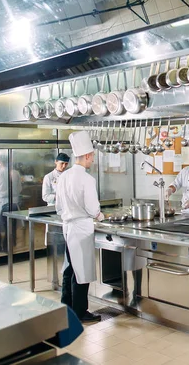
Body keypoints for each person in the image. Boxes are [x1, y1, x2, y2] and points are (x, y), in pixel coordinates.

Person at [56, 131, 104, 322]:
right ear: (86, 156)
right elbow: (92, 208)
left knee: (69, 268)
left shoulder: (63, 177)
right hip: (82, 227)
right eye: (91, 157)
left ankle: (66, 306)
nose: (92, 160)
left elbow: (58, 206)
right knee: (81, 271)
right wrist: (100, 216)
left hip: (67, 227)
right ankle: (80, 312)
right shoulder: (87, 179)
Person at [0, 157, 22, 253]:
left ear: (0, 163)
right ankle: (8, 247)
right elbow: (19, 189)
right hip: (13, 202)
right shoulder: (16, 173)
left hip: (0, 203)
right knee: (10, 226)